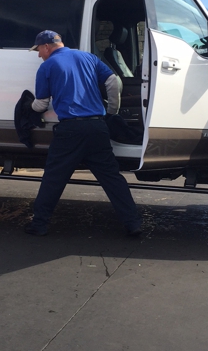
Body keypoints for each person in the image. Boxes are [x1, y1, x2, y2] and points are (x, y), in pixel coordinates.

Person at [24, 30, 142, 237]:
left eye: (38, 50)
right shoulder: (88, 57)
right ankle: (132, 223)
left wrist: (27, 106)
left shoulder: (47, 66)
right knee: (111, 178)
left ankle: (39, 225)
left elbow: (42, 104)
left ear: (46, 47)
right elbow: (114, 81)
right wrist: (111, 111)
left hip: (70, 131)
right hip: (97, 128)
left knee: (54, 178)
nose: (38, 55)